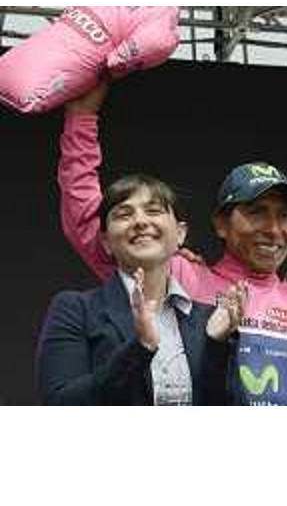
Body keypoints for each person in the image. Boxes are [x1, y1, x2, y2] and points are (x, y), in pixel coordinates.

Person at [57, 87, 287, 406]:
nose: (273, 229)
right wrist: (81, 119)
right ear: (221, 224)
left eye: (283, 215)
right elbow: (91, 223)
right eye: (256, 212)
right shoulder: (181, 277)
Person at [37, 173, 245, 405]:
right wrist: (140, 349)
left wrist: (216, 348)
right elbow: (60, 405)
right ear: (106, 242)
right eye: (124, 214)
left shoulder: (210, 321)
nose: (140, 221)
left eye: (154, 211)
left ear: (180, 233)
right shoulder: (76, 309)